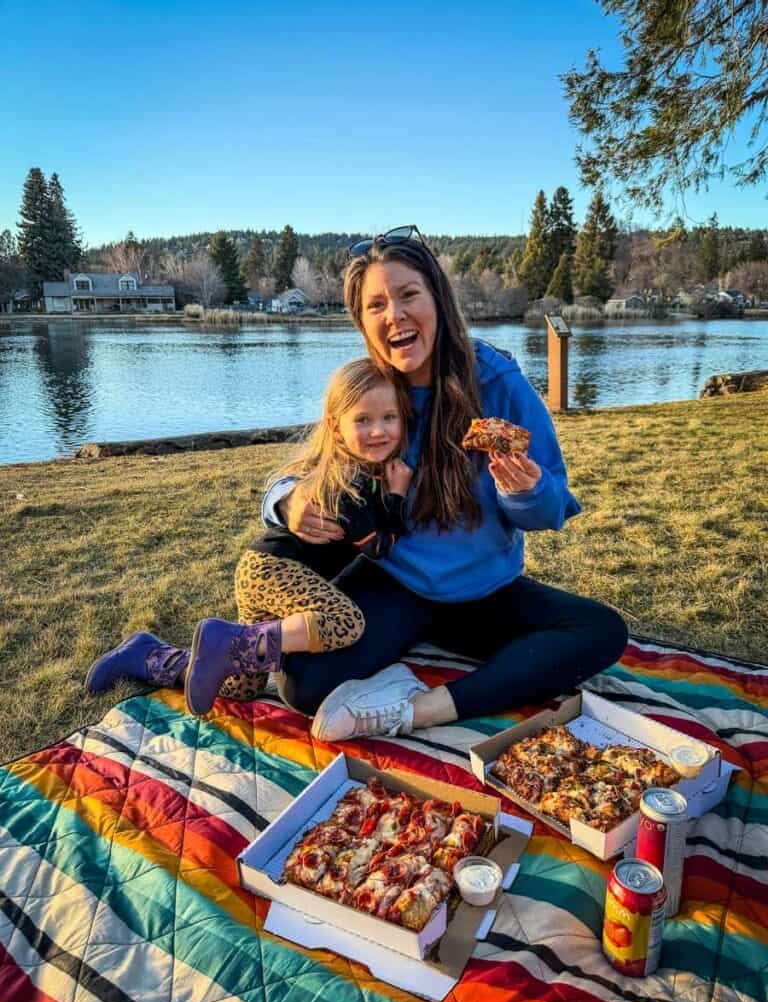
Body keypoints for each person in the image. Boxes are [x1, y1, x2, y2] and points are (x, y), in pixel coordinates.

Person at [236, 225, 628, 741]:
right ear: (362, 322)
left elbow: (552, 509)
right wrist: (284, 501)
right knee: (302, 685)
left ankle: (423, 708)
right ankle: (390, 660)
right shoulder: (372, 388)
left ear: (437, 299)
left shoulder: (496, 382)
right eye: (375, 305)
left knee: (601, 632)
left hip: (486, 591)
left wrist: (524, 490)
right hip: (395, 584)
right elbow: (313, 465)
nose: (394, 315)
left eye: (407, 295)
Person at [85, 358, 414, 707]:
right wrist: (397, 496)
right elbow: (379, 546)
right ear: (335, 428)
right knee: (344, 622)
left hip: (264, 573)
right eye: (363, 420)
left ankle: (148, 656)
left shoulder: (361, 471)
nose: (378, 431)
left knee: (242, 687)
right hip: (277, 572)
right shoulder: (349, 483)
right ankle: (230, 641)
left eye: (388, 418)